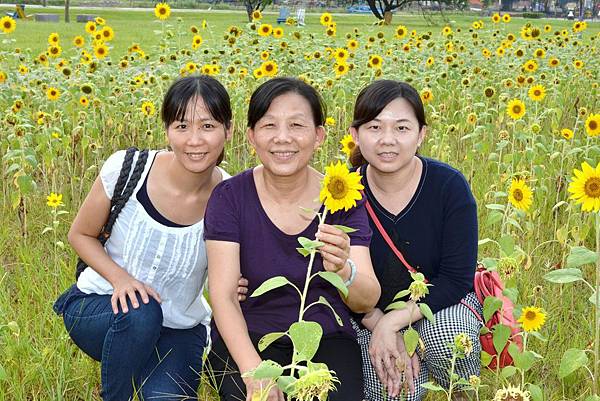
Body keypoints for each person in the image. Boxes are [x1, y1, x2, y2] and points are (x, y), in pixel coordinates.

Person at [53, 75, 234, 401]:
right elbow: (80, 234)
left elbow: (232, 273)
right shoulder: (127, 168)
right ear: (166, 131)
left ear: (228, 131)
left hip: (178, 329)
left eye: (207, 126)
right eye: (181, 126)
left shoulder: (231, 198)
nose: (194, 140)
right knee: (142, 310)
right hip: (102, 307)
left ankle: (136, 363)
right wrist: (121, 280)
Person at [204, 77, 381, 401]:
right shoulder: (230, 197)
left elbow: (366, 299)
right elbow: (224, 296)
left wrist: (344, 270)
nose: (283, 138)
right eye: (269, 125)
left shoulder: (341, 196)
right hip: (248, 337)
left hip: (325, 336)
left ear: (318, 136)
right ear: (251, 136)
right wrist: (255, 373)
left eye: (297, 125)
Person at [347, 80, 483, 401]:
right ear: (355, 135)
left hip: (441, 306)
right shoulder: (343, 193)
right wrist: (378, 322)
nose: (387, 140)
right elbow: (340, 279)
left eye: (402, 128)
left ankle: (462, 393)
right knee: (390, 391)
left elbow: (456, 279)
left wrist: (395, 320)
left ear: (421, 134)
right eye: (375, 127)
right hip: (367, 316)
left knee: (447, 339)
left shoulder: (448, 187)